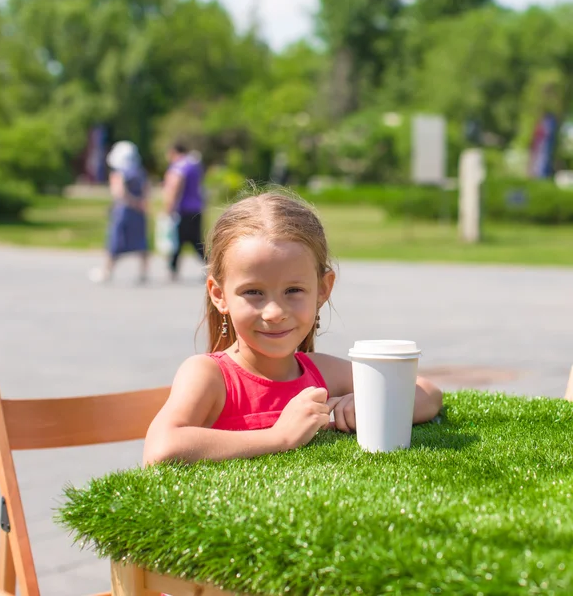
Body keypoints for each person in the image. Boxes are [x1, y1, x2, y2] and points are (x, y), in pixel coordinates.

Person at [143, 191, 443, 465]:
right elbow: (161, 449)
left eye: (293, 291)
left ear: (323, 289)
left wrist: (367, 406)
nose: (274, 312)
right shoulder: (210, 376)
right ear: (219, 295)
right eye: (253, 293)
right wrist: (279, 437)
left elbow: (428, 393)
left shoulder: (320, 373)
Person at [90, 140, 150, 283]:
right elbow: (146, 191)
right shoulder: (139, 172)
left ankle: (106, 272)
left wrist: (131, 202)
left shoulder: (118, 172)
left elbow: (118, 193)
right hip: (139, 212)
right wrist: (139, 203)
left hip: (123, 211)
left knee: (115, 243)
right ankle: (143, 273)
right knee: (141, 242)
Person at [162, 142, 206, 279]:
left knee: (178, 241)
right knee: (195, 241)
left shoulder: (179, 166)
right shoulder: (194, 165)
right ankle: (211, 265)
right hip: (196, 207)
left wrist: (169, 207)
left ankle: (172, 269)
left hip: (183, 209)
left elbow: (175, 187)